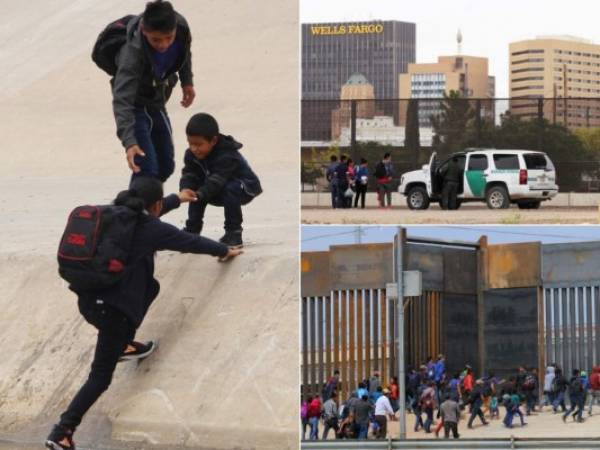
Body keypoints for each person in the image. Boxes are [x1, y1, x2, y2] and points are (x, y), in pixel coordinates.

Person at [45, 177, 241, 450]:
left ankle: (125, 343)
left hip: (88, 299)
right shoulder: (151, 228)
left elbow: (152, 213)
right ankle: (62, 431)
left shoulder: (113, 215)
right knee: (100, 377)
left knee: (151, 285)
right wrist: (224, 249)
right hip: (114, 311)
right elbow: (189, 241)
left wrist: (177, 198)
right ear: (156, 204)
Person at [111, 1, 195, 182]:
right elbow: (121, 99)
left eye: (168, 38)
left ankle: (147, 205)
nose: (163, 44)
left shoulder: (181, 29)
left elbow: (185, 52)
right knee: (145, 167)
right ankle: (134, 208)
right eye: (156, 39)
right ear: (144, 31)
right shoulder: (132, 54)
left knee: (165, 166)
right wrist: (129, 142)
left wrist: (186, 81)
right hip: (134, 104)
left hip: (156, 99)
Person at [179, 113, 262, 248]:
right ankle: (192, 230)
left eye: (198, 144)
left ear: (213, 141)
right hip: (215, 187)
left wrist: (200, 194)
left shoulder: (227, 154)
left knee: (229, 187)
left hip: (243, 189)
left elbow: (218, 180)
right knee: (195, 191)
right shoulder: (191, 154)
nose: (194, 149)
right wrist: (185, 189)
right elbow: (189, 173)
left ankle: (233, 233)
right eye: (190, 144)